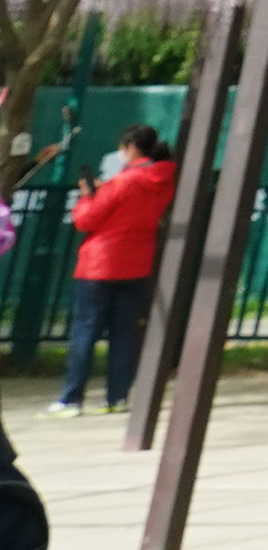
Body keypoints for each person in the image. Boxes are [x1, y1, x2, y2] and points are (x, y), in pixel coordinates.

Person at [53, 124, 173, 413]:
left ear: (130, 147)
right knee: (124, 333)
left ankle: (72, 399)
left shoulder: (121, 182)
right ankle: (117, 397)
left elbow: (86, 220)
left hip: (100, 264)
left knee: (85, 332)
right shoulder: (164, 181)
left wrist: (87, 197)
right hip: (137, 263)